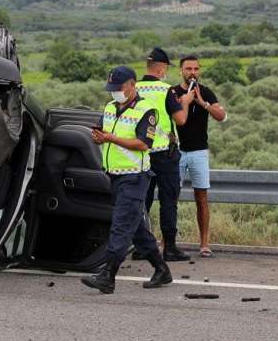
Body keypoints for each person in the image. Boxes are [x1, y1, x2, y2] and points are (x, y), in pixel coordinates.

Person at [81, 66, 173, 294]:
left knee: (122, 225)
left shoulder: (147, 110)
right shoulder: (110, 107)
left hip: (135, 176)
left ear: (132, 85)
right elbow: (104, 133)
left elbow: (144, 144)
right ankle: (161, 269)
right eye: (111, 88)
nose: (114, 92)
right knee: (135, 226)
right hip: (114, 175)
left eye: (119, 88)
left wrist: (111, 137)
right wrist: (99, 138)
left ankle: (108, 275)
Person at [136, 47, 195, 261]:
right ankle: (169, 248)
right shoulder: (165, 90)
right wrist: (185, 103)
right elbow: (180, 120)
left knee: (143, 200)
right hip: (165, 154)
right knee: (168, 200)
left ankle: (143, 247)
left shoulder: (135, 89)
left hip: (140, 152)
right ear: (161, 69)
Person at [170, 55, 226, 258]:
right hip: (175, 152)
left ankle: (204, 243)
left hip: (199, 152)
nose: (192, 72)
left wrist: (202, 102)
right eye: (188, 68)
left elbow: (222, 116)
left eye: (195, 69)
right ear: (181, 71)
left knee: (201, 198)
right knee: (171, 197)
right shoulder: (173, 92)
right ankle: (168, 242)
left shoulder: (206, 91)